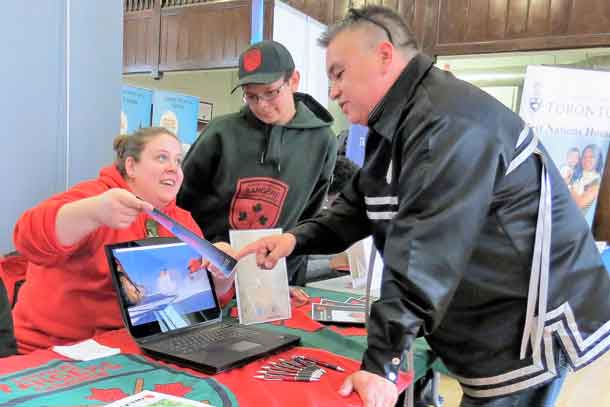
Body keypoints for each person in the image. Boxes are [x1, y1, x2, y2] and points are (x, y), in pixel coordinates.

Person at [237, 6, 610, 407]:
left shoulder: (446, 122)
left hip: (524, 324)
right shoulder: (398, 123)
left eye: (339, 73)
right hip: (485, 317)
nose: (333, 91)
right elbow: (360, 205)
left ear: (383, 55)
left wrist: (382, 364)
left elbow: (423, 256)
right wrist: (294, 240)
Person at [12, 127, 236, 354]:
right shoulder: (95, 197)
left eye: (178, 161)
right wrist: (93, 212)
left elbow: (212, 295)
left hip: (134, 349)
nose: (173, 169)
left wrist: (223, 272)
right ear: (131, 166)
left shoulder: (182, 221)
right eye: (162, 158)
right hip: (54, 351)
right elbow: (28, 238)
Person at [177, 40, 338, 287]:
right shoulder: (220, 132)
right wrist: (209, 249)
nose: (261, 105)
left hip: (276, 277)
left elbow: (309, 218)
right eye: (251, 96)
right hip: (211, 270)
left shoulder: (322, 140)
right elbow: (180, 204)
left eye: (271, 93)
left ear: (293, 80)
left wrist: (288, 282)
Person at [569, 143, 603, 216]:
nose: (587, 160)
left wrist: (568, 186)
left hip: (575, 221)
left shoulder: (597, 181)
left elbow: (579, 203)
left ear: (598, 159)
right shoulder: (576, 173)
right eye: (584, 156)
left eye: (591, 157)